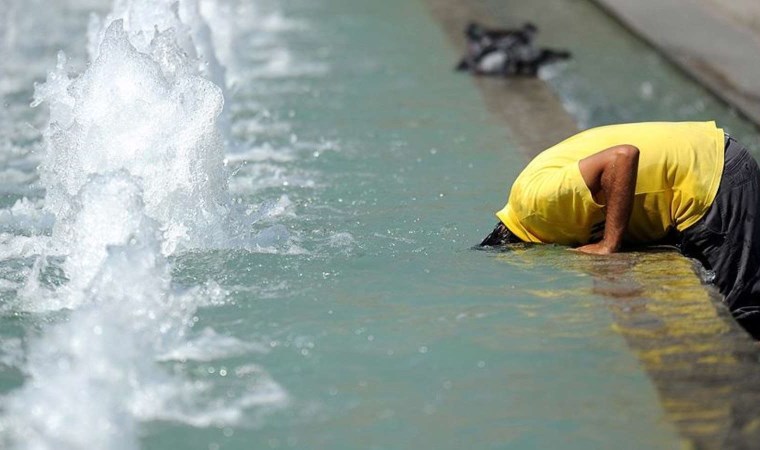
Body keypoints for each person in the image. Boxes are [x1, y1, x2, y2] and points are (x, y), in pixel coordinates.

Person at [481, 121, 760, 338]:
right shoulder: (534, 207)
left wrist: (608, 244)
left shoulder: (536, 205)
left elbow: (622, 157)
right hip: (703, 164)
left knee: (743, 315)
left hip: (712, 176)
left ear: (517, 248)